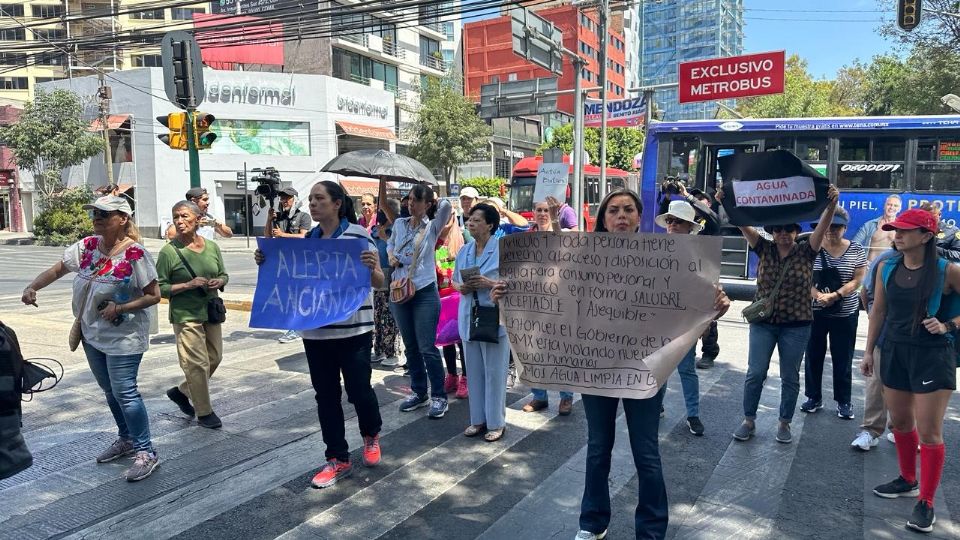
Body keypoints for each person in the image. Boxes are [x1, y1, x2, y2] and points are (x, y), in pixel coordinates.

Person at [493, 188, 730, 540]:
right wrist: (508, 293)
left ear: (639, 217)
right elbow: (551, 284)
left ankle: (650, 531)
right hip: (596, 366)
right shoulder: (585, 255)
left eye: (628, 210)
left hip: (645, 369)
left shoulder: (661, 256)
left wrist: (716, 305)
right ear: (603, 219)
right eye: (614, 210)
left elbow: (692, 299)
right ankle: (592, 523)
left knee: (646, 452)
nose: (621, 216)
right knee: (598, 448)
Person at [255, 180, 385, 489]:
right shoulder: (308, 239)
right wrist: (268, 260)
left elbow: (380, 282)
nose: (312, 204)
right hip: (316, 334)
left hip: (354, 331)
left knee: (358, 391)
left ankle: (370, 433)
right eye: (310, 199)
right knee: (325, 396)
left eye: (319, 198)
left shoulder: (358, 235)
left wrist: (372, 269)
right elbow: (289, 274)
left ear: (337, 203)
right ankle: (337, 458)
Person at [22, 196, 161, 481]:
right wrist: (33, 286)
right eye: (95, 213)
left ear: (122, 218)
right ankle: (126, 439)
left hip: (124, 336)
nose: (96, 217)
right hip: (91, 333)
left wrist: (120, 307)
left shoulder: (135, 253)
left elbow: (154, 295)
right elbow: (59, 268)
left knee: (125, 391)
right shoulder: (86, 247)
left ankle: (146, 451)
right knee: (110, 391)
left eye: (104, 213)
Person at [718, 184, 840, 444]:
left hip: (797, 325)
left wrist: (831, 204)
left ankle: (784, 423)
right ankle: (748, 420)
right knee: (755, 373)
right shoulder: (764, 248)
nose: (783, 234)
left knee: (789, 376)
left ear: (797, 232)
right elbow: (741, 223)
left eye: (789, 229)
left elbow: (823, 225)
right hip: (764, 323)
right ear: (772, 232)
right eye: (778, 230)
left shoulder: (807, 251)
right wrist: (726, 201)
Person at [862, 208, 959, 534]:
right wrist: (868, 351)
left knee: (930, 432)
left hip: (933, 356)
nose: (897, 235)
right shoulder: (886, 266)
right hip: (894, 352)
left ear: (927, 236)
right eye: (895, 230)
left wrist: (948, 324)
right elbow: (878, 310)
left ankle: (927, 502)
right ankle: (908, 478)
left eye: (904, 230)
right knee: (901, 423)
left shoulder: (947, 271)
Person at [157, 200, 230, 429]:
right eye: (176, 217)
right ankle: (204, 412)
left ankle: (182, 392)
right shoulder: (169, 252)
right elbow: (159, 288)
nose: (179, 222)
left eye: (185, 216)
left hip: (210, 310)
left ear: (198, 219)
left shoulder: (211, 247)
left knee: (214, 358)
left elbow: (223, 274)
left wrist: (220, 281)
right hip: (185, 313)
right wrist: (187, 285)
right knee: (196, 363)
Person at [388, 184, 454, 418]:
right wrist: (391, 255)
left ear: (427, 204)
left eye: (416, 200)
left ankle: (438, 396)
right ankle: (419, 392)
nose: (410, 203)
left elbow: (447, 205)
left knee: (427, 347)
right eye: (409, 199)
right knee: (411, 346)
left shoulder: (432, 226)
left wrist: (433, 195)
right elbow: (390, 244)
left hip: (424, 292)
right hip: (399, 291)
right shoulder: (399, 224)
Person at [800, 207, 867, 420]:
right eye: (827, 226)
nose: (831, 231)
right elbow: (803, 277)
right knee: (813, 356)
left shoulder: (856, 249)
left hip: (845, 313)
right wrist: (817, 295)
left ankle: (844, 401)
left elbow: (858, 280)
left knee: (843, 358)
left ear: (845, 228)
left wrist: (836, 295)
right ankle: (813, 396)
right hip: (815, 312)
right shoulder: (810, 248)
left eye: (836, 227)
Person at [455, 202, 511, 442]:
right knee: (474, 371)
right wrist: (464, 287)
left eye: (477, 220)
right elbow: (455, 282)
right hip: (470, 315)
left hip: (494, 318)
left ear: (490, 225)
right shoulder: (464, 251)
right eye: (469, 219)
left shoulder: (503, 250)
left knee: (495, 372)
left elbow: (513, 283)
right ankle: (477, 420)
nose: (471, 223)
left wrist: (488, 283)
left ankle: (496, 423)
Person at [654, 199, 707, 436]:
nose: (673, 225)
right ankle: (657, 407)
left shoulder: (700, 255)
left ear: (689, 227)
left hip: (687, 320)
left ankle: (693, 415)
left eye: (678, 222)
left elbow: (707, 288)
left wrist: (706, 320)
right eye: (670, 221)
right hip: (661, 320)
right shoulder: (655, 251)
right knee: (661, 368)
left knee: (686, 369)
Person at [523, 196, 575, 416]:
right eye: (539, 210)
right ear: (533, 213)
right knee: (534, 349)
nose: (542, 214)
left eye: (546, 210)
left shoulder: (563, 234)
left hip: (560, 300)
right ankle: (539, 396)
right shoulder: (526, 237)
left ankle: (566, 397)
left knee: (561, 351)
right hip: (533, 301)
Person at [852, 245, 900, 451]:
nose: (899, 236)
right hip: (884, 334)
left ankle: (902, 430)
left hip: (918, 340)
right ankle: (871, 431)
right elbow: (866, 291)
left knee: (908, 388)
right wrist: (872, 315)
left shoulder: (937, 264)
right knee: (876, 383)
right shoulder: (886, 260)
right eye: (898, 231)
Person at [265, 187, 313, 344]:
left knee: (298, 296)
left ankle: (297, 328)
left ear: (295, 200)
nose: (284, 201)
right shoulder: (279, 217)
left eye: (288, 198)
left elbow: (304, 236)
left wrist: (284, 235)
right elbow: (268, 236)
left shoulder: (303, 216)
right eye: (282, 198)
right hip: (283, 263)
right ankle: (294, 326)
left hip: (299, 263)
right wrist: (269, 219)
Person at [373, 194, 402, 367]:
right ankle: (379, 349)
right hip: (377, 279)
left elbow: (396, 253)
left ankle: (393, 352)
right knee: (378, 316)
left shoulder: (397, 231)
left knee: (389, 318)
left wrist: (386, 238)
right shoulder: (373, 232)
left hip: (392, 278)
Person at [165, 187, 233, 240]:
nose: (208, 203)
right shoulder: (183, 215)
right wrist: (196, 224)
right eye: (204, 200)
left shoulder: (209, 217)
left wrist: (219, 226)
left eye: (207, 200)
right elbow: (171, 234)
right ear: (194, 201)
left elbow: (229, 234)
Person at [852, 194, 901, 262]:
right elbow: (854, 244)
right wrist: (861, 263)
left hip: (892, 266)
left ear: (899, 209)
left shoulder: (902, 228)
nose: (891, 207)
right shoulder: (869, 225)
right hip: (870, 265)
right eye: (889, 204)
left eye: (895, 206)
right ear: (884, 206)